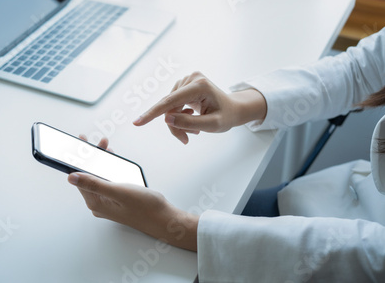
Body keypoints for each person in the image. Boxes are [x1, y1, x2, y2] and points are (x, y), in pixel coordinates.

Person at [67, 28, 385, 282]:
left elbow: (373, 259)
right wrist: (238, 105)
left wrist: (172, 224)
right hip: (341, 200)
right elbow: (361, 71)